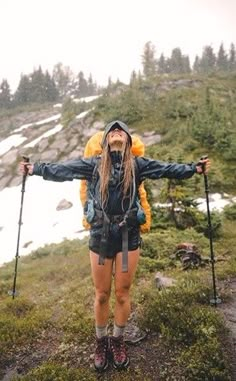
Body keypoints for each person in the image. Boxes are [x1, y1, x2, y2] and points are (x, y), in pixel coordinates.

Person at [20, 120, 210, 372]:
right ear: (105, 141)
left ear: (129, 141)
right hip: (100, 234)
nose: (117, 131)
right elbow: (63, 170)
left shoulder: (138, 165)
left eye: (121, 130)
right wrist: (34, 168)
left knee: (122, 293)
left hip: (128, 235)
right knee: (101, 294)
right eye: (112, 130)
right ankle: (101, 341)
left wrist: (193, 169)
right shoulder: (94, 164)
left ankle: (118, 340)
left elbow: (167, 169)